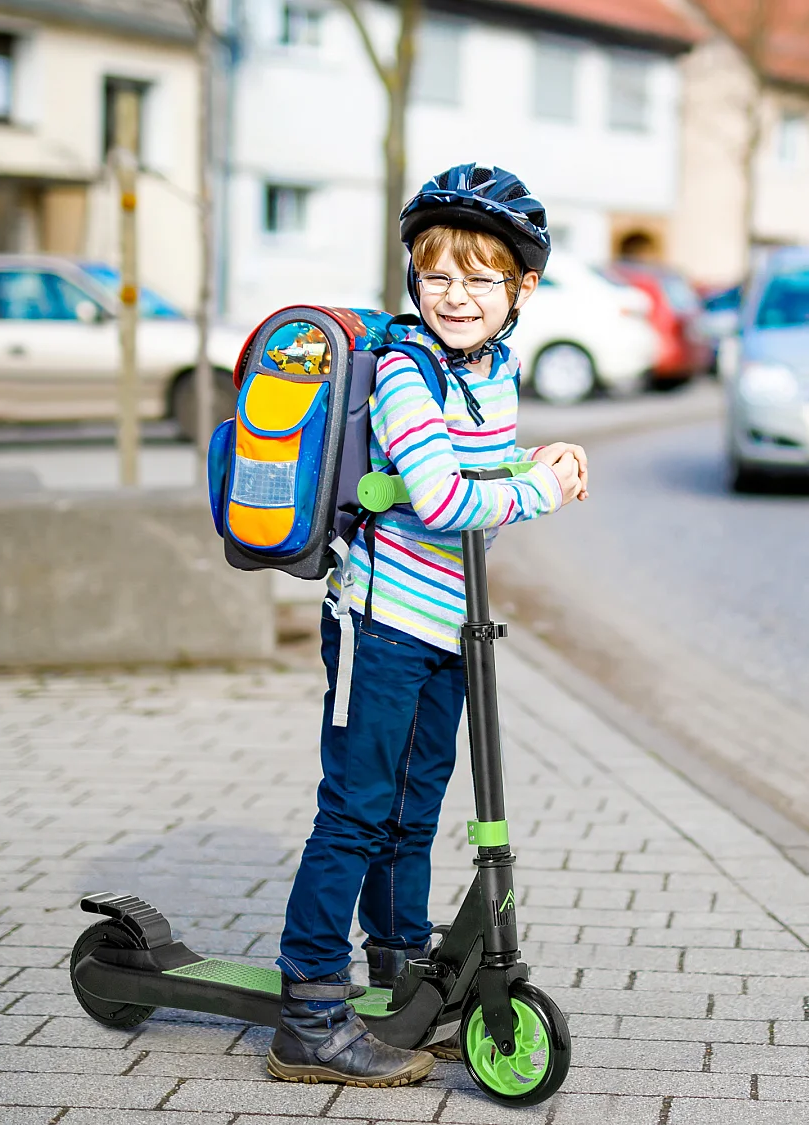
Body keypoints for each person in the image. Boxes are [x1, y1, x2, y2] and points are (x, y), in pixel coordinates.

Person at [267, 164, 590, 1087]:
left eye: (481, 277)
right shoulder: (407, 368)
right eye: (437, 272)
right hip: (381, 621)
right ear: (413, 273)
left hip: (450, 625)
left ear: (521, 288)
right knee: (358, 812)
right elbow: (446, 497)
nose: (456, 294)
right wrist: (545, 489)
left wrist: (535, 457)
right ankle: (311, 1011)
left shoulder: (495, 366)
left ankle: (399, 976)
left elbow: (477, 463)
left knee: (415, 811)